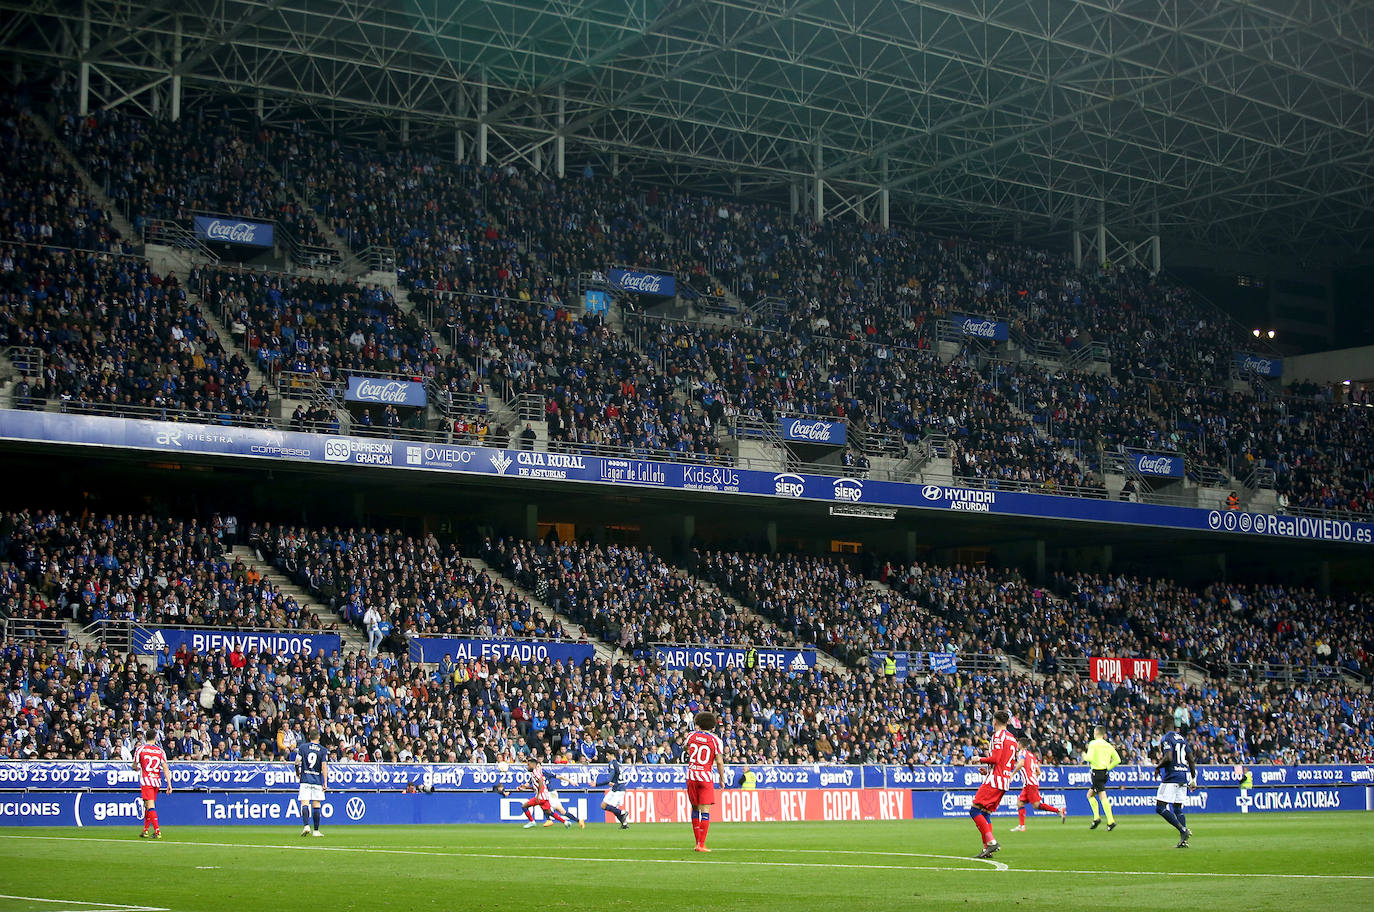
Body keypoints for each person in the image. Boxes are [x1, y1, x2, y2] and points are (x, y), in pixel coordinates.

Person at [969, 709, 1019, 858]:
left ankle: (991, 843)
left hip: (995, 780)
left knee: (974, 811)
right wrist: (988, 771)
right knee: (985, 813)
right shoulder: (1012, 738)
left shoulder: (997, 736)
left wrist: (979, 759)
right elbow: (1006, 762)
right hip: (1003, 780)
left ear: (995, 722)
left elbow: (996, 758)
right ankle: (987, 849)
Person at [685, 710, 727, 853]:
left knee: (695, 809)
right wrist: (721, 778)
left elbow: (686, 748)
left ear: (698, 723)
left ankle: (697, 842)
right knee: (706, 811)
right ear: (712, 725)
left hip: (691, 776)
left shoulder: (691, 736)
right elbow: (719, 762)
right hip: (705, 777)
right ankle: (701, 844)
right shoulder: (716, 740)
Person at [1154, 717, 1196, 848]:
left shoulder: (1166, 738)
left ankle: (1182, 830)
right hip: (1183, 776)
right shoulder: (1182, 738)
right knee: (1177, 808)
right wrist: (1193, 778)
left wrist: (1157, 767)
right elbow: (1191, 759)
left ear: (1164, 726)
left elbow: (1169, 757)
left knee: (1160, 807)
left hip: (1171, 777)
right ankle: (1184, 841)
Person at [1011, 732, 1065, 831]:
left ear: (1020, 745)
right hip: (1031, 782)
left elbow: (1021, 764)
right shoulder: (1031, 755)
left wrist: (1012, 774)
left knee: (1036, 805)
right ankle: (1022, 826)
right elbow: (1039, 772)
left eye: (1018, 744)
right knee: (1020, 803)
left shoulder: (1022, 753)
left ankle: (1058, 810)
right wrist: (1032, 776)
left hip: (1029, 783)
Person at [134, 729, 171, 838]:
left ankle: (157, 831)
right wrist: (169, 784)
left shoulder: (140, 749)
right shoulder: (160, 751)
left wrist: (136, 768)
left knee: (150, 806)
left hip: (147, 781)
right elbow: (165, 768)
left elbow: (135, 765)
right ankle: (145, 830)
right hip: (157, 782)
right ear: (155, 737)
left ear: (145, 737)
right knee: (148, 806)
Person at [1084, 725, 1122, 831]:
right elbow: (1117, 760)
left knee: (1102, 796)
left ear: (1096, 732)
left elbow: (1089, 758)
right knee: (1090, 795)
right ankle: (1096, 818)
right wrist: (1107, 768)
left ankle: (1111, 821)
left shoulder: (1093, 744)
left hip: (1097, 773)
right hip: (1104, 773)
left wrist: (1084, 756)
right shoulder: (1108, 745)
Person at [297, 726, 329, 837]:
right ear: (319, 737)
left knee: (304, 803)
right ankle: (316, 831)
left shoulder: (303, 747)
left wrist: (298, 772)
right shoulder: (323, 750)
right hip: (316, 780)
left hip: (305, 779)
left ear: (309, 737)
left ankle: (306, 826)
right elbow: (324, 766)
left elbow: (297, 762)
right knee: (316, 805)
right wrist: (325, 782)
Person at [520, 759, 570, 829]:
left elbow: (540, 781)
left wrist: (538, 795)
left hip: (541, 796)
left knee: (524, 806)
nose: (527, 767)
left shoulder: (535, 772)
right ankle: (565, 822)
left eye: (528, 765)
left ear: (532, 765)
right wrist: (525, 787)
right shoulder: (536, 773)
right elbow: (536, 787)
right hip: (545, 796)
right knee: (549, 812)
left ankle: (532, 822)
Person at [599, 748, 630, 829]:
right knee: (603, 806)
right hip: (615, 788)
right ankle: (624, 823)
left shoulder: (612, 763)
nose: (606, 757)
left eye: (607, 755)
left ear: (612, 755)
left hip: (619, 789)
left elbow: (612, 774)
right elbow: (617, 775)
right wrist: (613, 781)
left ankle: (623, 813)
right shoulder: (618, 764)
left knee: (613, 808)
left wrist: (607, 781)